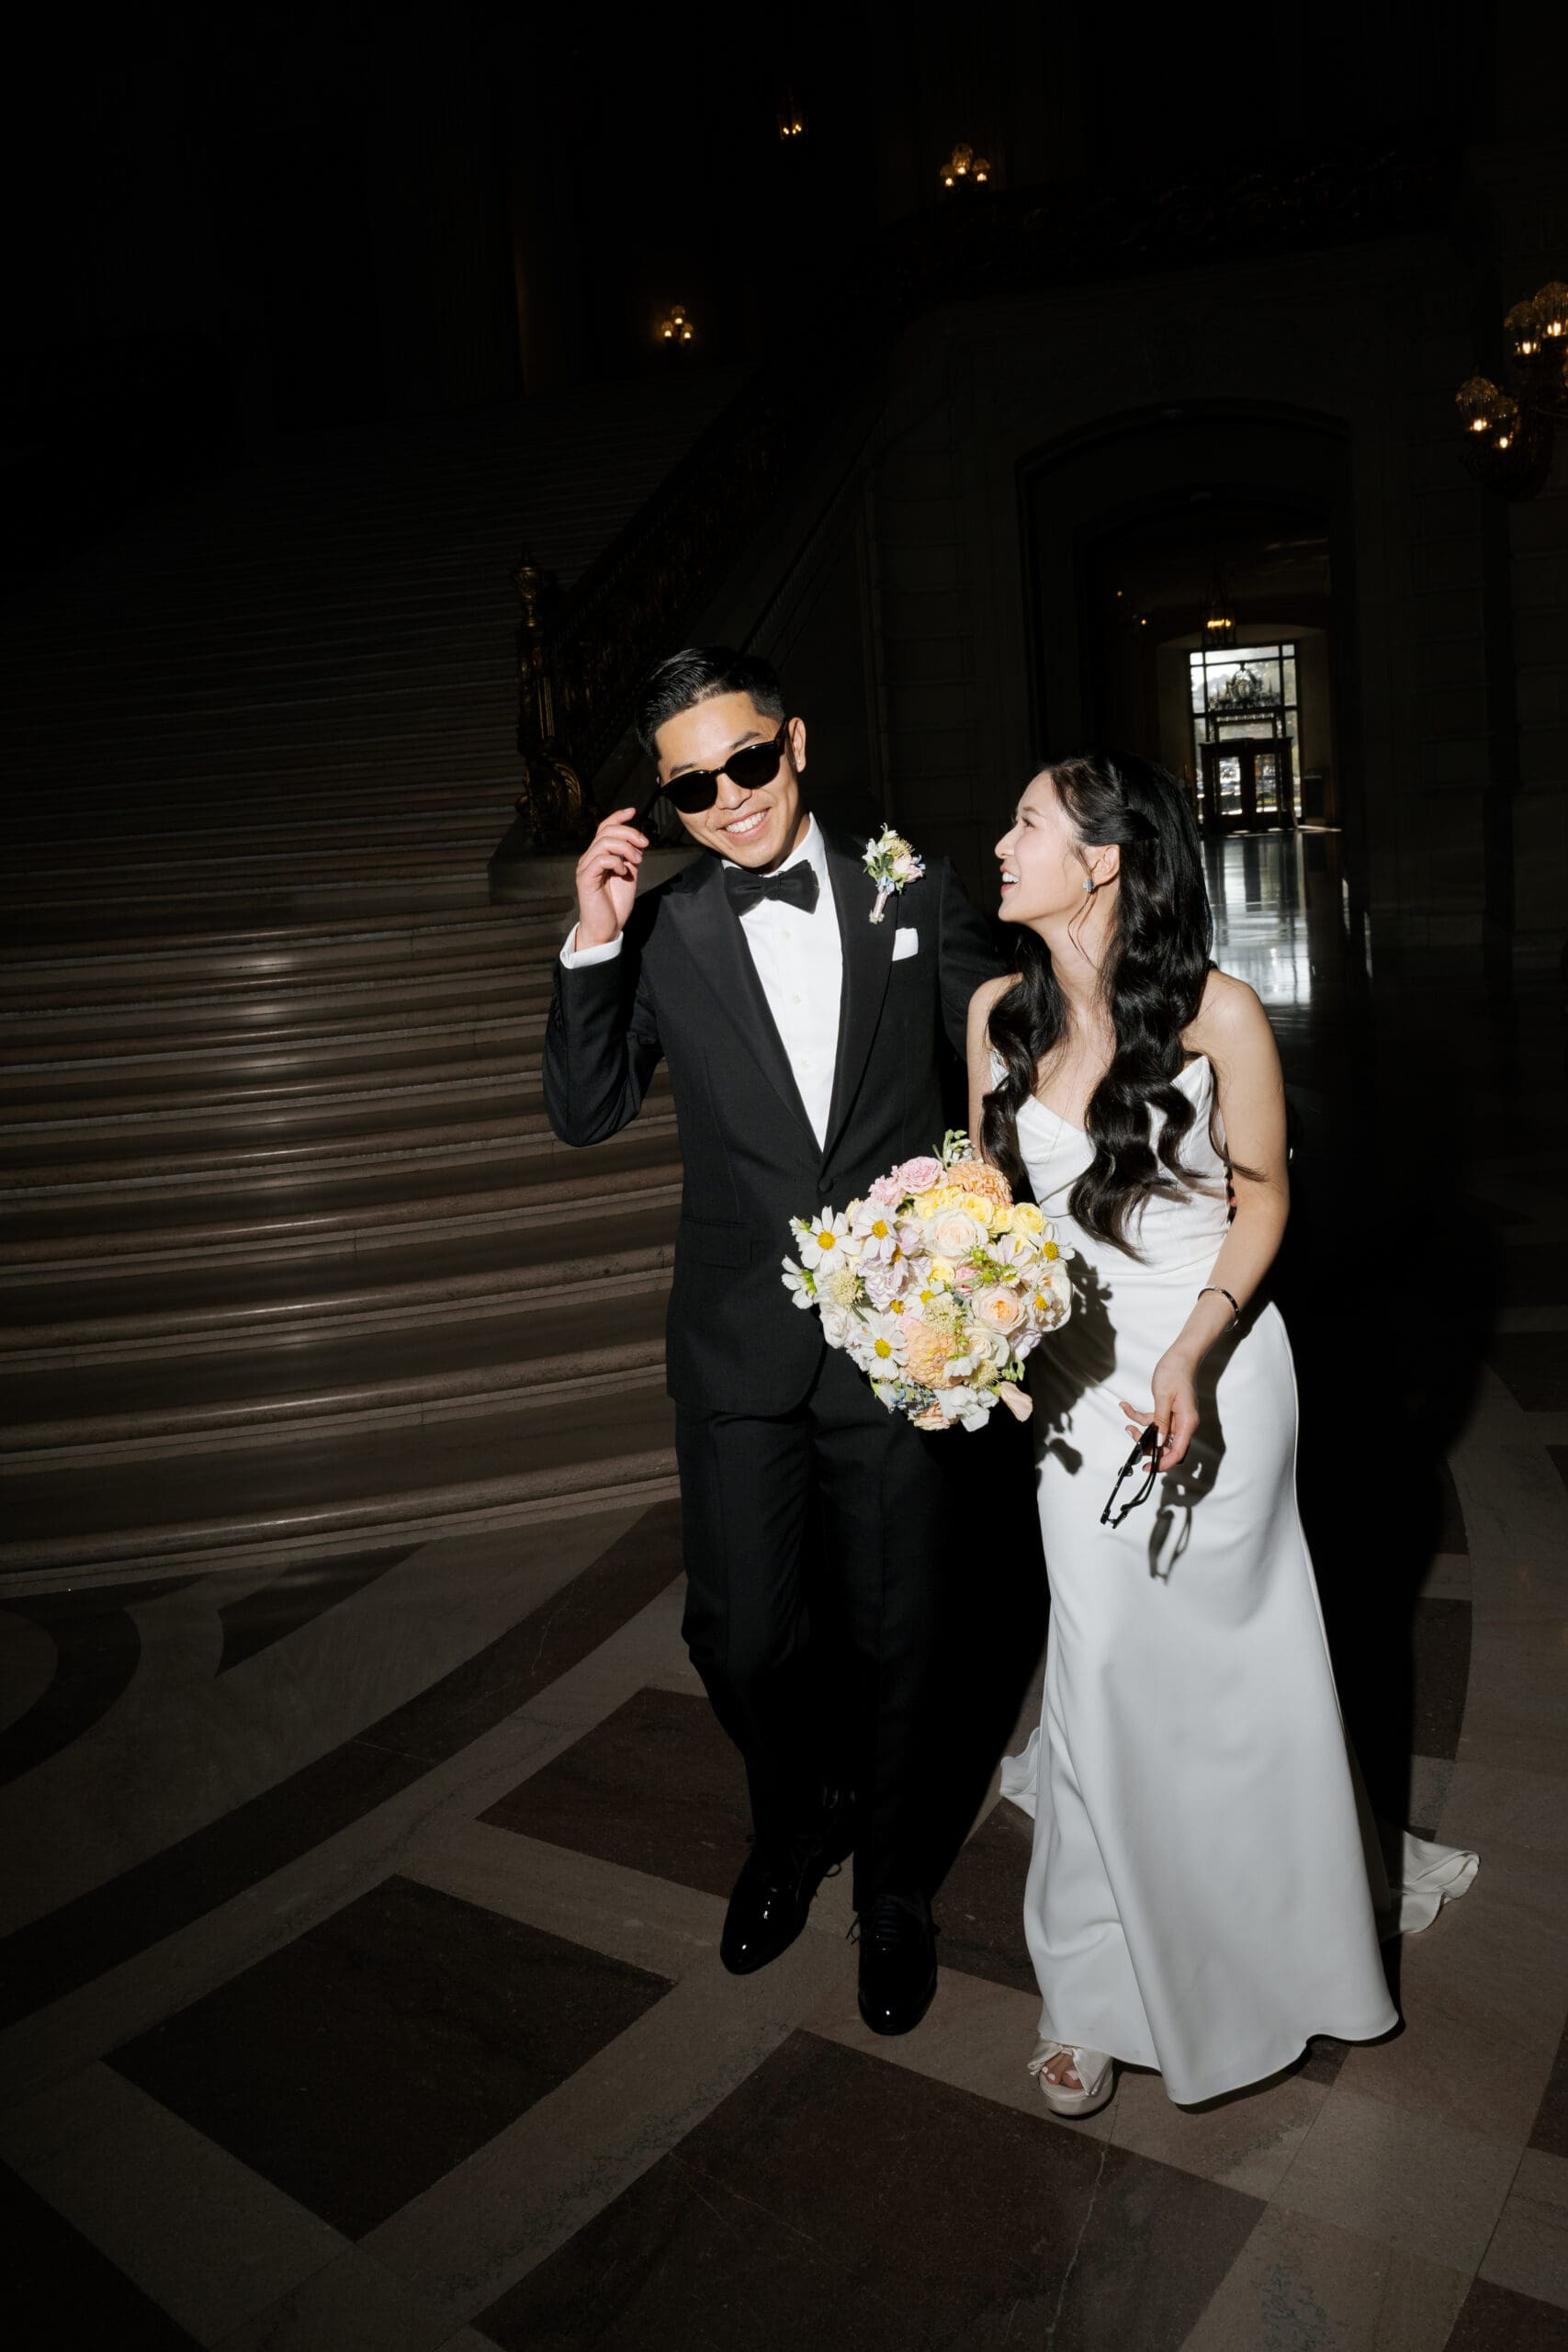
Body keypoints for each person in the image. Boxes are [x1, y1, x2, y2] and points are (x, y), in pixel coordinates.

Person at [966, 750, 1477, 2114]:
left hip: (1219, 1357)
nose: (1000, 843)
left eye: (1027, 824)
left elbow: (1260, 1206)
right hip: (1073, 1390)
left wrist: (1195, 1346)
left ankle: (1278, 1947)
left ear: (1103, 861)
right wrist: (957, 1328)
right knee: (1103, 1659)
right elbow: (987, 1218)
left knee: (1231, 1670)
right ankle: (1088, 1979)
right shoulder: (992, 1023)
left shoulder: (1220, 1016)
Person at [543, 646, 1028, 2034]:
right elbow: (583, 1112)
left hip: (900, 1340)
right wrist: (590, 936)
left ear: (796, 742)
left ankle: (891, 1886)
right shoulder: (663, 929)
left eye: (749, 762)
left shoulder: (910, 887)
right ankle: (792, 1820)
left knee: (901, 1638)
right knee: (745, 1639)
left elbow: (1005, 1054)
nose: (731, 800)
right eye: (692, 785)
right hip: (738, 1345)